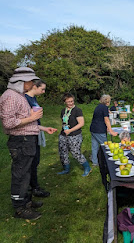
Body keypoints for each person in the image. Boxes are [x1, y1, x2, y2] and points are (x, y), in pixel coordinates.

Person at [0, 67, 57, 220]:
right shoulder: (10, 96)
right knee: (20, 175)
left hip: (27, 140)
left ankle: (26, 202)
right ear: (22, 81)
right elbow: (9, 123)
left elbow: (25, 122)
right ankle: (19, 209)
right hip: (21, 142)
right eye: (31, 80)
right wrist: (32, 118)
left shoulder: (19, 96)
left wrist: (42, 127)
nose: (33, 83)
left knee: (26, 173)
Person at [25, 79, 50, 197]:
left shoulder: (33, 99)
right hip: (28, 135)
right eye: (42, 89)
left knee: (35, 161)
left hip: (36, 131)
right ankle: (34, 188)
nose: (44, 91)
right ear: (34, 86)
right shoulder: (25, 99)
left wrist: (44, 128)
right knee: (32, 162)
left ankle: (31, 185)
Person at [57, 93, 92, 176]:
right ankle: (66, 169)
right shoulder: (63, 111)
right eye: (68, 101)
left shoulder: (77, 110)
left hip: (75, 135)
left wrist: (70, 130)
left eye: (72, 101)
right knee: (63, 152)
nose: (71, 103)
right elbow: (64, 122)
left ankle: (87, 168)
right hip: (63, 135)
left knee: (75, 152)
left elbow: (81, 123)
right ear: (64, 102)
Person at [90, 94, 118, 166]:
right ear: (108, 101)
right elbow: (106, 120)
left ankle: (95, 162)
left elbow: (99, 118)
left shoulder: (98, 107)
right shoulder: (105, 108)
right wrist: (111, 130)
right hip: (99, 130)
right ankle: (107, 162)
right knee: (106, 146)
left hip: (93, 129)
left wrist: (107, 128)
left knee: (94, 146)